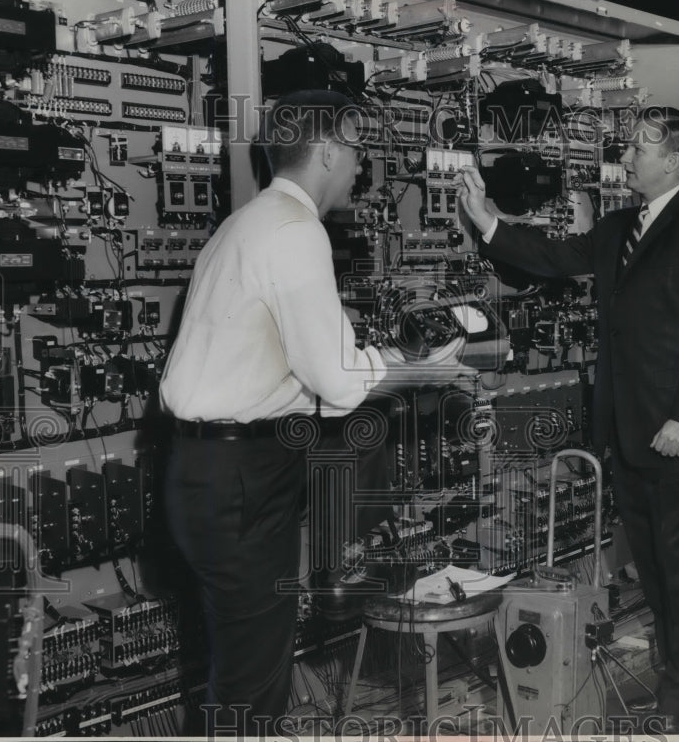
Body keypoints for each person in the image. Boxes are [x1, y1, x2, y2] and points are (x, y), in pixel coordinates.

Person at [159, 89, 466, 735]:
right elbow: (338, 382)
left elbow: (307, 374)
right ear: (327, 150)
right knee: (252, 684)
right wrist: (424, 369)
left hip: (206, 469)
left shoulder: (240, 226)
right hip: (241, 477)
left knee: (239, 669)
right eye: (355, 151)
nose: (359, 168)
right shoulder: (297, 233)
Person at [455, 106, 679, 734]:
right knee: (656, 561)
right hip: (627, 428)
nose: (627, 156)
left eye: (641, 148)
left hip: (678, 431)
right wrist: (489, 223)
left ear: (672, 161)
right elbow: (555, 256)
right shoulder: (620, 229)